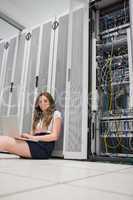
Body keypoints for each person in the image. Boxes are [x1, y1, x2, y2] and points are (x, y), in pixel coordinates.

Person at [0, 91, 62, 159]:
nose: (42, 104)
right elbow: (34, 135)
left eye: (45, 101)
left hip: (44, 147)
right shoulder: (39, 117)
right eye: (40, 102)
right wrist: (26, 136)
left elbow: (55, 136)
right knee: (5, 138)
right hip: (35, 143)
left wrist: (34, 138)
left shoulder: (56, 113)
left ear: (50, 102)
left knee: (5, 141)